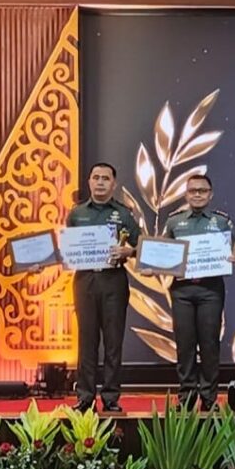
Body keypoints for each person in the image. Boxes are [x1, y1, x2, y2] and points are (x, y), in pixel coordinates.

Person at [159, 174, 235, 412]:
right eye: (193, 191)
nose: (197, 195)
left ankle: (209, 398)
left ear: (210, 194)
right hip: (182, 290)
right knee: (185, 345)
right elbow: (162, 251)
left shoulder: (222, 221)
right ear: (186, 194)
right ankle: (187, 397)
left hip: (210, 289)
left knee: (210, 343)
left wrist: (234, 256)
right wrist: (154, 263)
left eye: (202, 191)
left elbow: (234, 250)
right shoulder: (174, 221)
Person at [67, 163, 140, 413]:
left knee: (113, 341)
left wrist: (128, 251)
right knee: (86, 340)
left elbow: (142, 245)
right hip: (85, 280)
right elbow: (68, 247)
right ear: (89, 181)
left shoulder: (124, 214)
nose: (100, 182)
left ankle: (110, 397)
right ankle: (85, 397)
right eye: (96, 177)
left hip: (113, 280)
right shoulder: (76, 214)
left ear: (113, 184)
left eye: (105, 178)